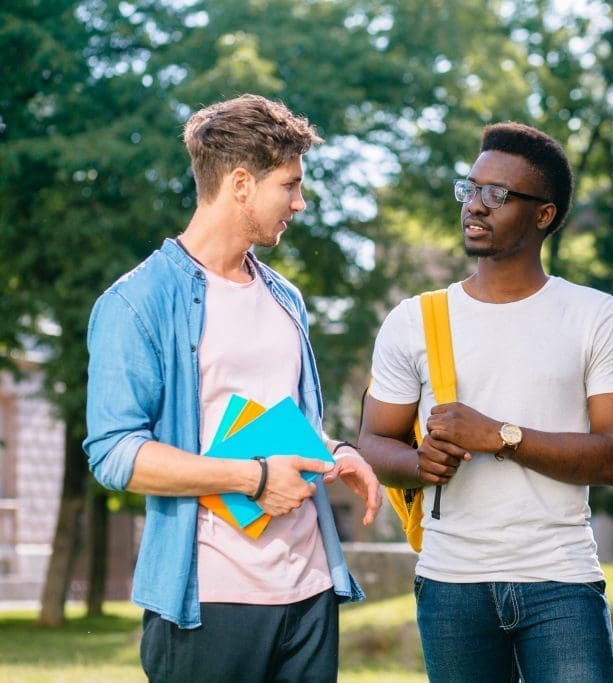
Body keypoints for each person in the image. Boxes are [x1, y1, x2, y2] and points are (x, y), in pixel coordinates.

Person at [83, 94, 382, 682]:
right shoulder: (137, 303)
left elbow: (289, 418)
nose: (300, 202)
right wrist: (255, 478)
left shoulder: (284, 298)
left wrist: (337, 454)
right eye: (289, 185)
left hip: (309, 590)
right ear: (241, 183)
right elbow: (115, 453)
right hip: (209, 599)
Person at [359, 122, 613, 682]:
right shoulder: (416, 319)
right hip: (449, 585)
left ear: (544, 215)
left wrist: (501, 436)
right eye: (470, 189)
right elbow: (372, 442)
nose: (475, 207)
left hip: (561, 581)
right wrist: (417, 464)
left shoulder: (595, 316)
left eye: (497, 195)